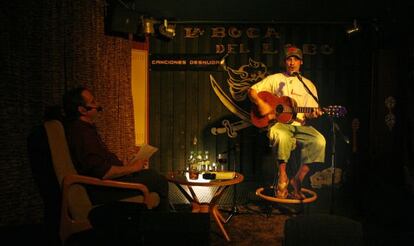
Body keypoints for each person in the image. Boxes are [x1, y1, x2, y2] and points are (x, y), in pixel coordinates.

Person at [63, 86, 169, 211]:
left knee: (151, 174)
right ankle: (161, 225)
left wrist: (129, 168)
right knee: (158, 180)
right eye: (92, 102)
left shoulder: (87, 129)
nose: (98, 104)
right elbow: (103, 172)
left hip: (109, 184)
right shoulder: (81, 133)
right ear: (82, 110)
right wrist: (132, 168)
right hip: (102, 189)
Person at [248, 45, 326, 199]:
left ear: (301, 62)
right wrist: (261, 104)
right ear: (285, 62)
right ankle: (283, 176)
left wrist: (314, 114)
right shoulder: (275, 79)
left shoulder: (308, 85)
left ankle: (298, 178)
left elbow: (310, 113)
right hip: (280, 125)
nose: (292, 63)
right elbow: (251, 91)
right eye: (289, 59)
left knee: (320, 141)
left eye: (295, 60)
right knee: (281, 136)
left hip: (300, 125)